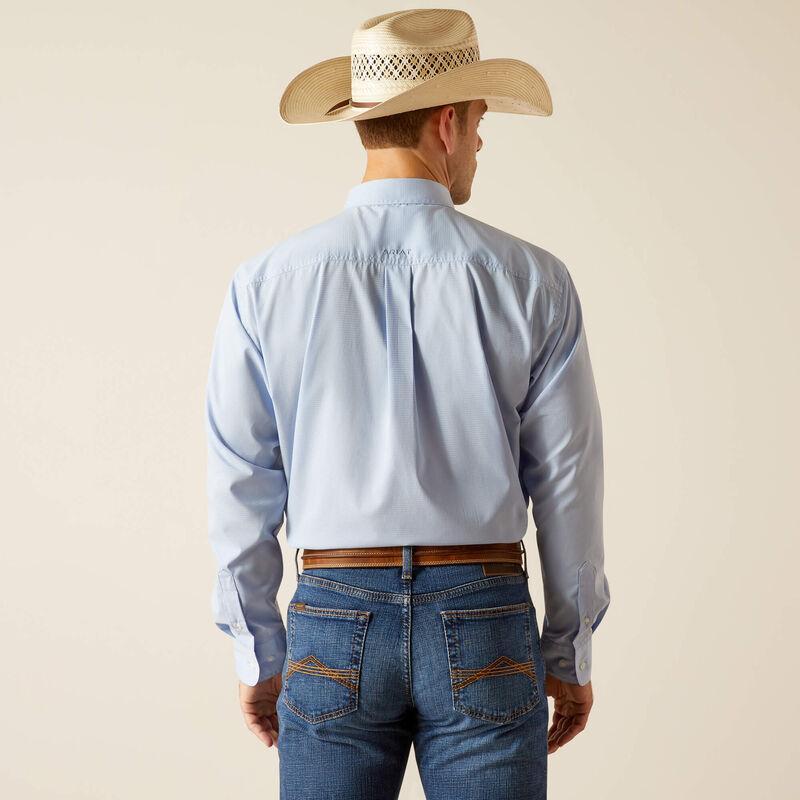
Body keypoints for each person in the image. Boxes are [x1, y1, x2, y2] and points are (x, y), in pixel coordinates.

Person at [204, 9, 610, 799]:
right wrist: (569, 652)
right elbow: (567, 483)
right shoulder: (532, 279)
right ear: (450, 125)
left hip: (331, 616)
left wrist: (259, 654)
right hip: (485, 612)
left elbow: (241, 481)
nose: (484, 145)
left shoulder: (266, 283)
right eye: (484, 123)